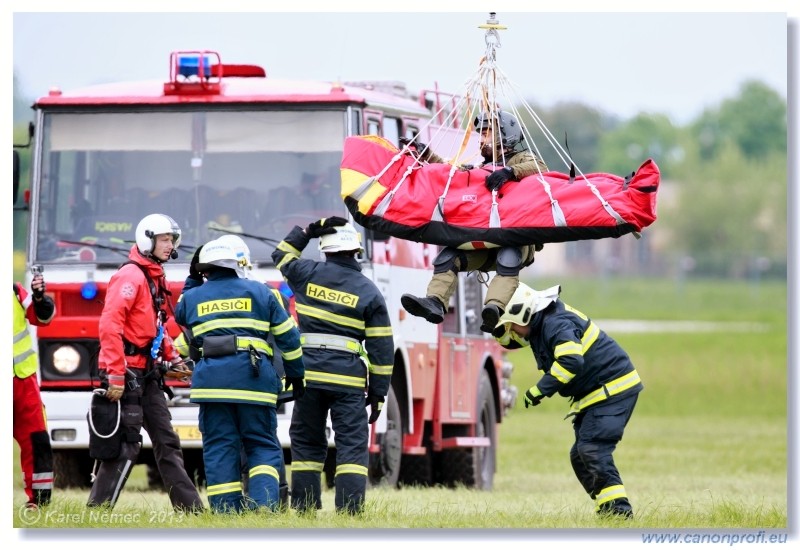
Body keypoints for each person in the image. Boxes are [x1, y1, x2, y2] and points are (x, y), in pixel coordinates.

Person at [271, 217, 394, 515]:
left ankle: (304, 508)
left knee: (307, 443)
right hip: (348, 381)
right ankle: (350, 512)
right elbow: (381, 347)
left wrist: (308, 231)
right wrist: (378, 393)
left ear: (325, 251)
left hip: (308, 377)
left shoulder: (305, 272)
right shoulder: (369, 291)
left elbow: (282, 255)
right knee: (351, 446)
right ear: (356, 252)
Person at [175, 237, 305, 514]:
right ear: (238, 264)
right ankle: (264, 506)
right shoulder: (263, 292)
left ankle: (225, 511)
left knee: (220, 447)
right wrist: (296, 375)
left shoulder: (192, 298)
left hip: (211, 387)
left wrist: (192, 280)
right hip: (254, 382)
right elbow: (290, 340)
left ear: (204, 269)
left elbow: (181, 321)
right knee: (261, 445)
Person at [493, 283, 643, 518]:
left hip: (613, 389)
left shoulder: (555, 323)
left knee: (592, 449)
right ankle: (607, 509)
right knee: (580, 456)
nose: (512, 334)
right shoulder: (544, 324)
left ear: (522, 312)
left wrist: (539, 390)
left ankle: (619, 514)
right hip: (600, 392)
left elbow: (571, 361)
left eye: (511, 326)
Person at [87, 213, 204, 512]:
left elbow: (156, 325)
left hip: (147, 374)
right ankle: (97, 510)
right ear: (147, 239)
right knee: (126, 444)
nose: (170, 245)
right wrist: (114, 373)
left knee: (167, 440)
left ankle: (192, 510)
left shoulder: (153, 275)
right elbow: (110, 326)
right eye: (165, 239)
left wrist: (173, 358)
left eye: (172, 240)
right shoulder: (131, 276)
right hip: (125, 373)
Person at [399, 110, 548, 334]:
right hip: (485, 242)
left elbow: (540, 168)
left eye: (487, 134)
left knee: (508, 257)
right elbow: (453, 174)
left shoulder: (521, 159)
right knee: (449, 257)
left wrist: (510, 172)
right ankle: (435, 302)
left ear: (504, 135)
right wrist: (426, 155)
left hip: (514, 242)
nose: (481, 139)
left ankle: (494, 309)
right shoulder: (480, 169)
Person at [13, 270, 56, 509]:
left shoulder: (15, 291)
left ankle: (38, 502)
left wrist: (41, 298)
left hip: (22, 381)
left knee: (37, 440)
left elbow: (43, 318)